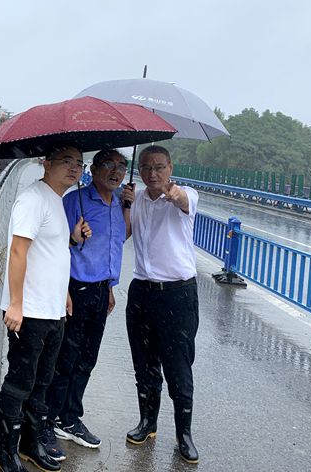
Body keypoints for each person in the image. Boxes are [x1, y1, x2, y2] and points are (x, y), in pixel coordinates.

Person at [0, 145, 90, 472]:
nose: (74, 168)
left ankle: (30, 444)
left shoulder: (56, 201)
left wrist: (64, 291)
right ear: (46, 164)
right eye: (66, 161)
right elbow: (18, 251)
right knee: (20, 384)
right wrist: (15, 304)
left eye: (79, 163)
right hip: (29, 313)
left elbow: (51, 253)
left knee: (42, 383)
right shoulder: (33, 199)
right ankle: (5, 453)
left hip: (52, 311)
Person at [42, 149, 135, 461]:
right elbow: (56, 245)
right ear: (93, 170)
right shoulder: (75, 201)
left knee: (87, 359)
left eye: (121, 165)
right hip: (76, 288)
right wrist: (63, 288)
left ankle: (69, 417)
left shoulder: (119, 202)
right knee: (64, 358)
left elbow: (118, 239)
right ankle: (47, 420)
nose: (116, 171)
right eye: (108, 164)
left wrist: (109, 286)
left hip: (100, 290)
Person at [125, 145, 200, 464]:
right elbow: (122, 235)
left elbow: (184, 202)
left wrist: (175, 195)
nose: (152, 173)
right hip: (142, 291)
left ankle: (184, 434)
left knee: (178, 367)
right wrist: (125, 205)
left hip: (177, 294)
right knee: (144, 364)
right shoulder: (137, 199)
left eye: (159, 167)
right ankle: (148, 422)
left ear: (170, 168)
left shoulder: (185, 195)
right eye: (146, 167)